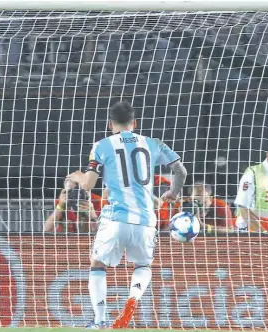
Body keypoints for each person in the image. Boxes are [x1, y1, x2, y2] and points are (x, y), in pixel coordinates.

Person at [67, 101, 187, 329]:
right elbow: (181, 170)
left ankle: (100, 321)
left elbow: (89, 184)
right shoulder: (153, 143)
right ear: (135, 123)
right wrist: (173, 192)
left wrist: (76, 176)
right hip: (145, 221)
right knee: (143, 265)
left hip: (115, 218)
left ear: (110, 124)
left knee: (97, 264)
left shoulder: (102, 145)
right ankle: (133, 298)